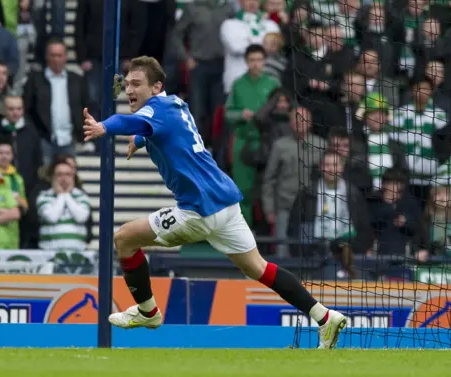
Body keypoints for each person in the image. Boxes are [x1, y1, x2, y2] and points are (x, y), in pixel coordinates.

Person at [82, 56, 347, 349]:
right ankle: (325, 317)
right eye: (127, 83)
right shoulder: (176, 106)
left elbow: (127, 121)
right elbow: (164, 131)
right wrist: (140, 140)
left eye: (137, 84)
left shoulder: (154, 110)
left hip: (198, 211)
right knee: (258, 268)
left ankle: (149, 312)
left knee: (124, 239)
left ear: (156, 87)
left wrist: (104, 127)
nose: (129, 90)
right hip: (226, 204)